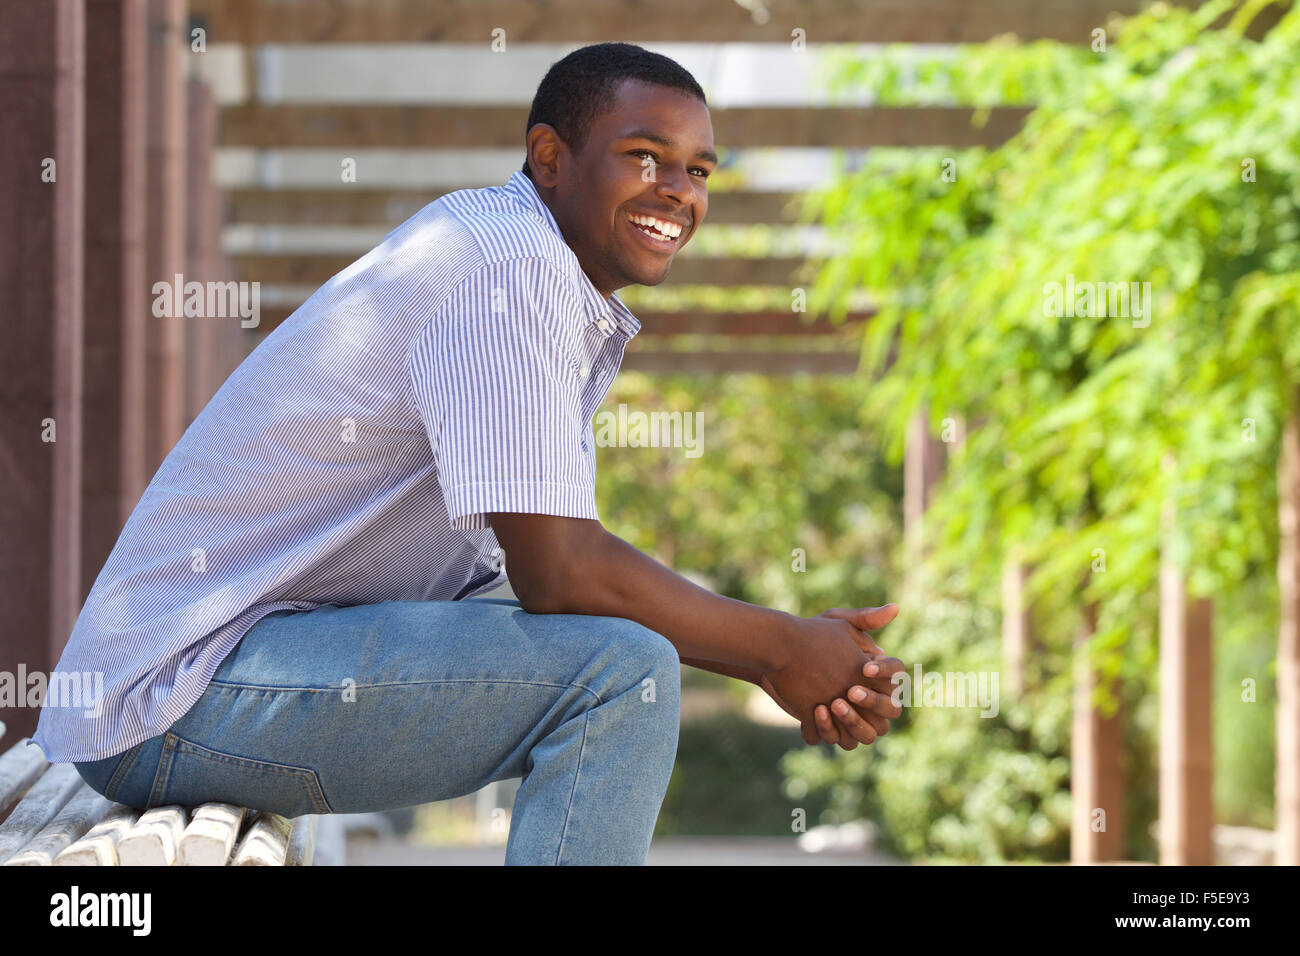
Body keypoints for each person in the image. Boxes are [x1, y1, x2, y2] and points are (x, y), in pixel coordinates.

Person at [32, 42, 904, 865]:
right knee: (620, 675)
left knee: (618, 643)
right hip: (170, 699)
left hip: (225, 675)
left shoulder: (512, 255)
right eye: (645, 155)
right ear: (551, 156)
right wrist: (779, 650)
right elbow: (560, 572)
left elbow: (552, 576)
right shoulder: (508, 269)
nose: (678, 190)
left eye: (699, 170)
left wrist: (784, 645)